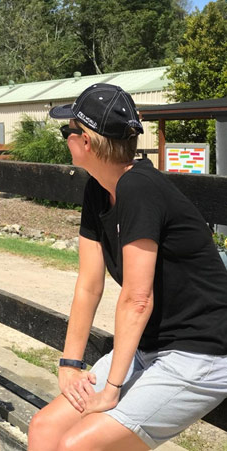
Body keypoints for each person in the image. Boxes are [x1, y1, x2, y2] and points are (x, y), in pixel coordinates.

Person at [27, 83, 227, 450]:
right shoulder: (98, 189)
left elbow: (137, 299)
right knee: (44, 429)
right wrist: (70, 363)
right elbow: (89, 284)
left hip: (200, 353)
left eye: (66, 131)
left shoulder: (139, 189)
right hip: (147, 348)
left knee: (78, 446)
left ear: (86, 141)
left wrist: (112, 389)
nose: (65, 139)